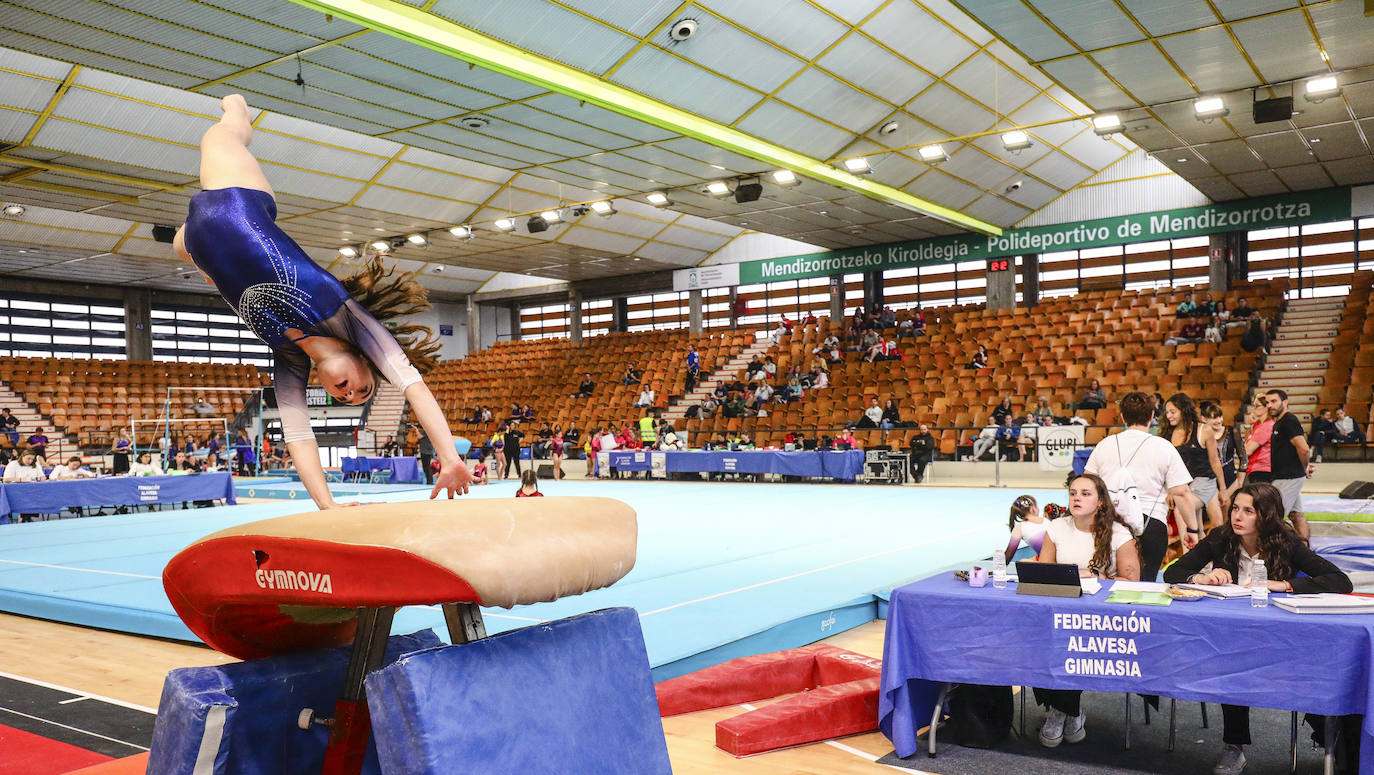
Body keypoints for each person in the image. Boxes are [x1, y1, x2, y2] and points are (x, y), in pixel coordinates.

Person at [173, 95, 469, 510]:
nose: (350, 395)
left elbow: (298, 434)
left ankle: (189, 240)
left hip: (199, 241)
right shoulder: (346, 316)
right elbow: (412, 386)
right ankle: (239, 110)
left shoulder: (288, 359)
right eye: (362, 388)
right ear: (365, 359)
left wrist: (328, 508)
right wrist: (449, 457)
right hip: (235, 197)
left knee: (180, 246)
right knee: (222, 134)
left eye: (347, 400)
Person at [1163, 482, 1352, 775]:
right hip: (1232, 636)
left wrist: (1285, 585)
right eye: (1235, 508)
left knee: (1314, 672)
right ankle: (1233, 746)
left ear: (1266, 516)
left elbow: (1340, 581)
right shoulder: (1221, 538)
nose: (1237, 516)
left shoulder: (1287, 541)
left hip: (1281, 638)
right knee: (1232, 664)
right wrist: (1201, 577)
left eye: (1248, 511)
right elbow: (1172, 572)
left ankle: (1335, 741)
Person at [1035, 473, 1140, 748]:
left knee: (1072, 641)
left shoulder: (1119, 534)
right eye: (1072, 493)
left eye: (1085, 493)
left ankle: (1058, 710)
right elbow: (1042, 571)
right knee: (1035, 636)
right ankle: (1069, 710)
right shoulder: (1057, 527)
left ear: (1101, 501)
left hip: (1102, 616)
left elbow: (1133, 582)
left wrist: (1093, 577)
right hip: (1060, 607)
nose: (1076, 498)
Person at [1084, 391, 1198, 582]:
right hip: (1150, 524)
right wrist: (1192, 530)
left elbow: (1087, 487)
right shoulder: (1163, 446)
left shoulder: (1104, 445)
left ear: (1122, 417)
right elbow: (1181, 493)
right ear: (1152, 416)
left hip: (1108, 522)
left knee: (1106, 583)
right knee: (1145, 586)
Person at [1160, 392, 1228, 532]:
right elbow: (1166, 468)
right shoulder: (1167, 434)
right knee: (1195, 523)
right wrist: (1168, 492)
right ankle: (1194, 549)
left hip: (1204, 481)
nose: (1169, 416)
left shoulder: (1203, 429)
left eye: (1173, 412)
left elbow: (1215, 461)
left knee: (1213, 522)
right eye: (1167, 412)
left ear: (1184, 410)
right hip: (1183, 485)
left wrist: (1223, 489)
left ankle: (1196, 551)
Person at [1264, 389, 1312, 542]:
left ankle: (1284, 550)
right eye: (1267, 402)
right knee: (1296, 515)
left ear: (1285, 402)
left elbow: (1303, 448)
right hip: (1286, 476)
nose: (1270, 405)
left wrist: (1305, 467)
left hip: (1289, 477)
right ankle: (1306, 550)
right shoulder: (1279, 422)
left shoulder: (1289, 421)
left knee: (1273, 517)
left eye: (1274, 401)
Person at [1003, 494, 1047, 564]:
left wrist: (993, 572)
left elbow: (1008, 556)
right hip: (1065, 560)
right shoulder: (1048, 520)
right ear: (1033, 509)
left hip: (1052, 564)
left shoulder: (1019, 528)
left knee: (1022, 562)